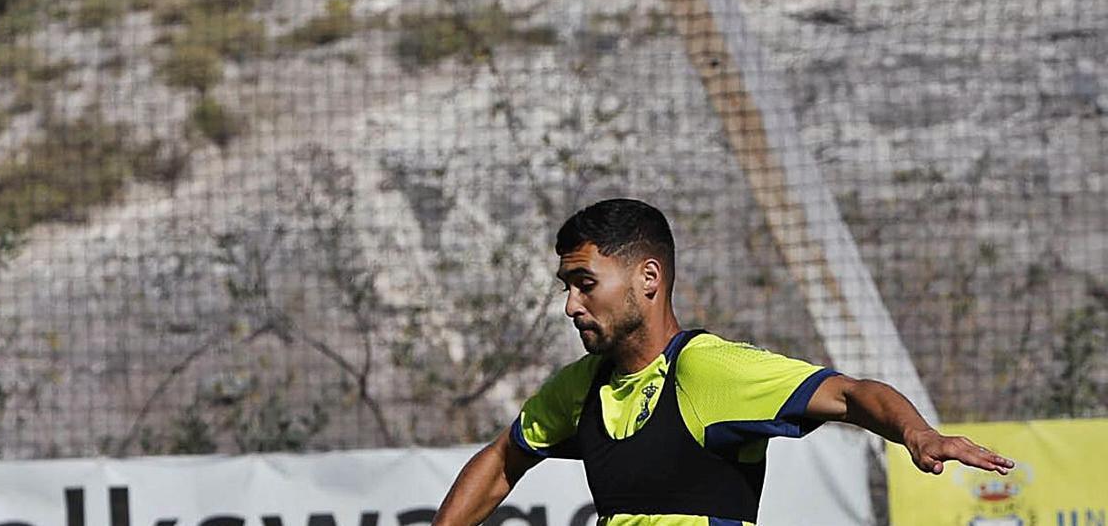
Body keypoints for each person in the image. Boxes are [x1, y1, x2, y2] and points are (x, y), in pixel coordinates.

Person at [431, 198, 1014, 526]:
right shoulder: (580, 387)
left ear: (649, 278)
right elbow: (506, 455)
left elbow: (850, 393)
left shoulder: (708, 371)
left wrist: (915, 432)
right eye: (566, 286)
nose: (569, 305)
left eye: (585, 284)